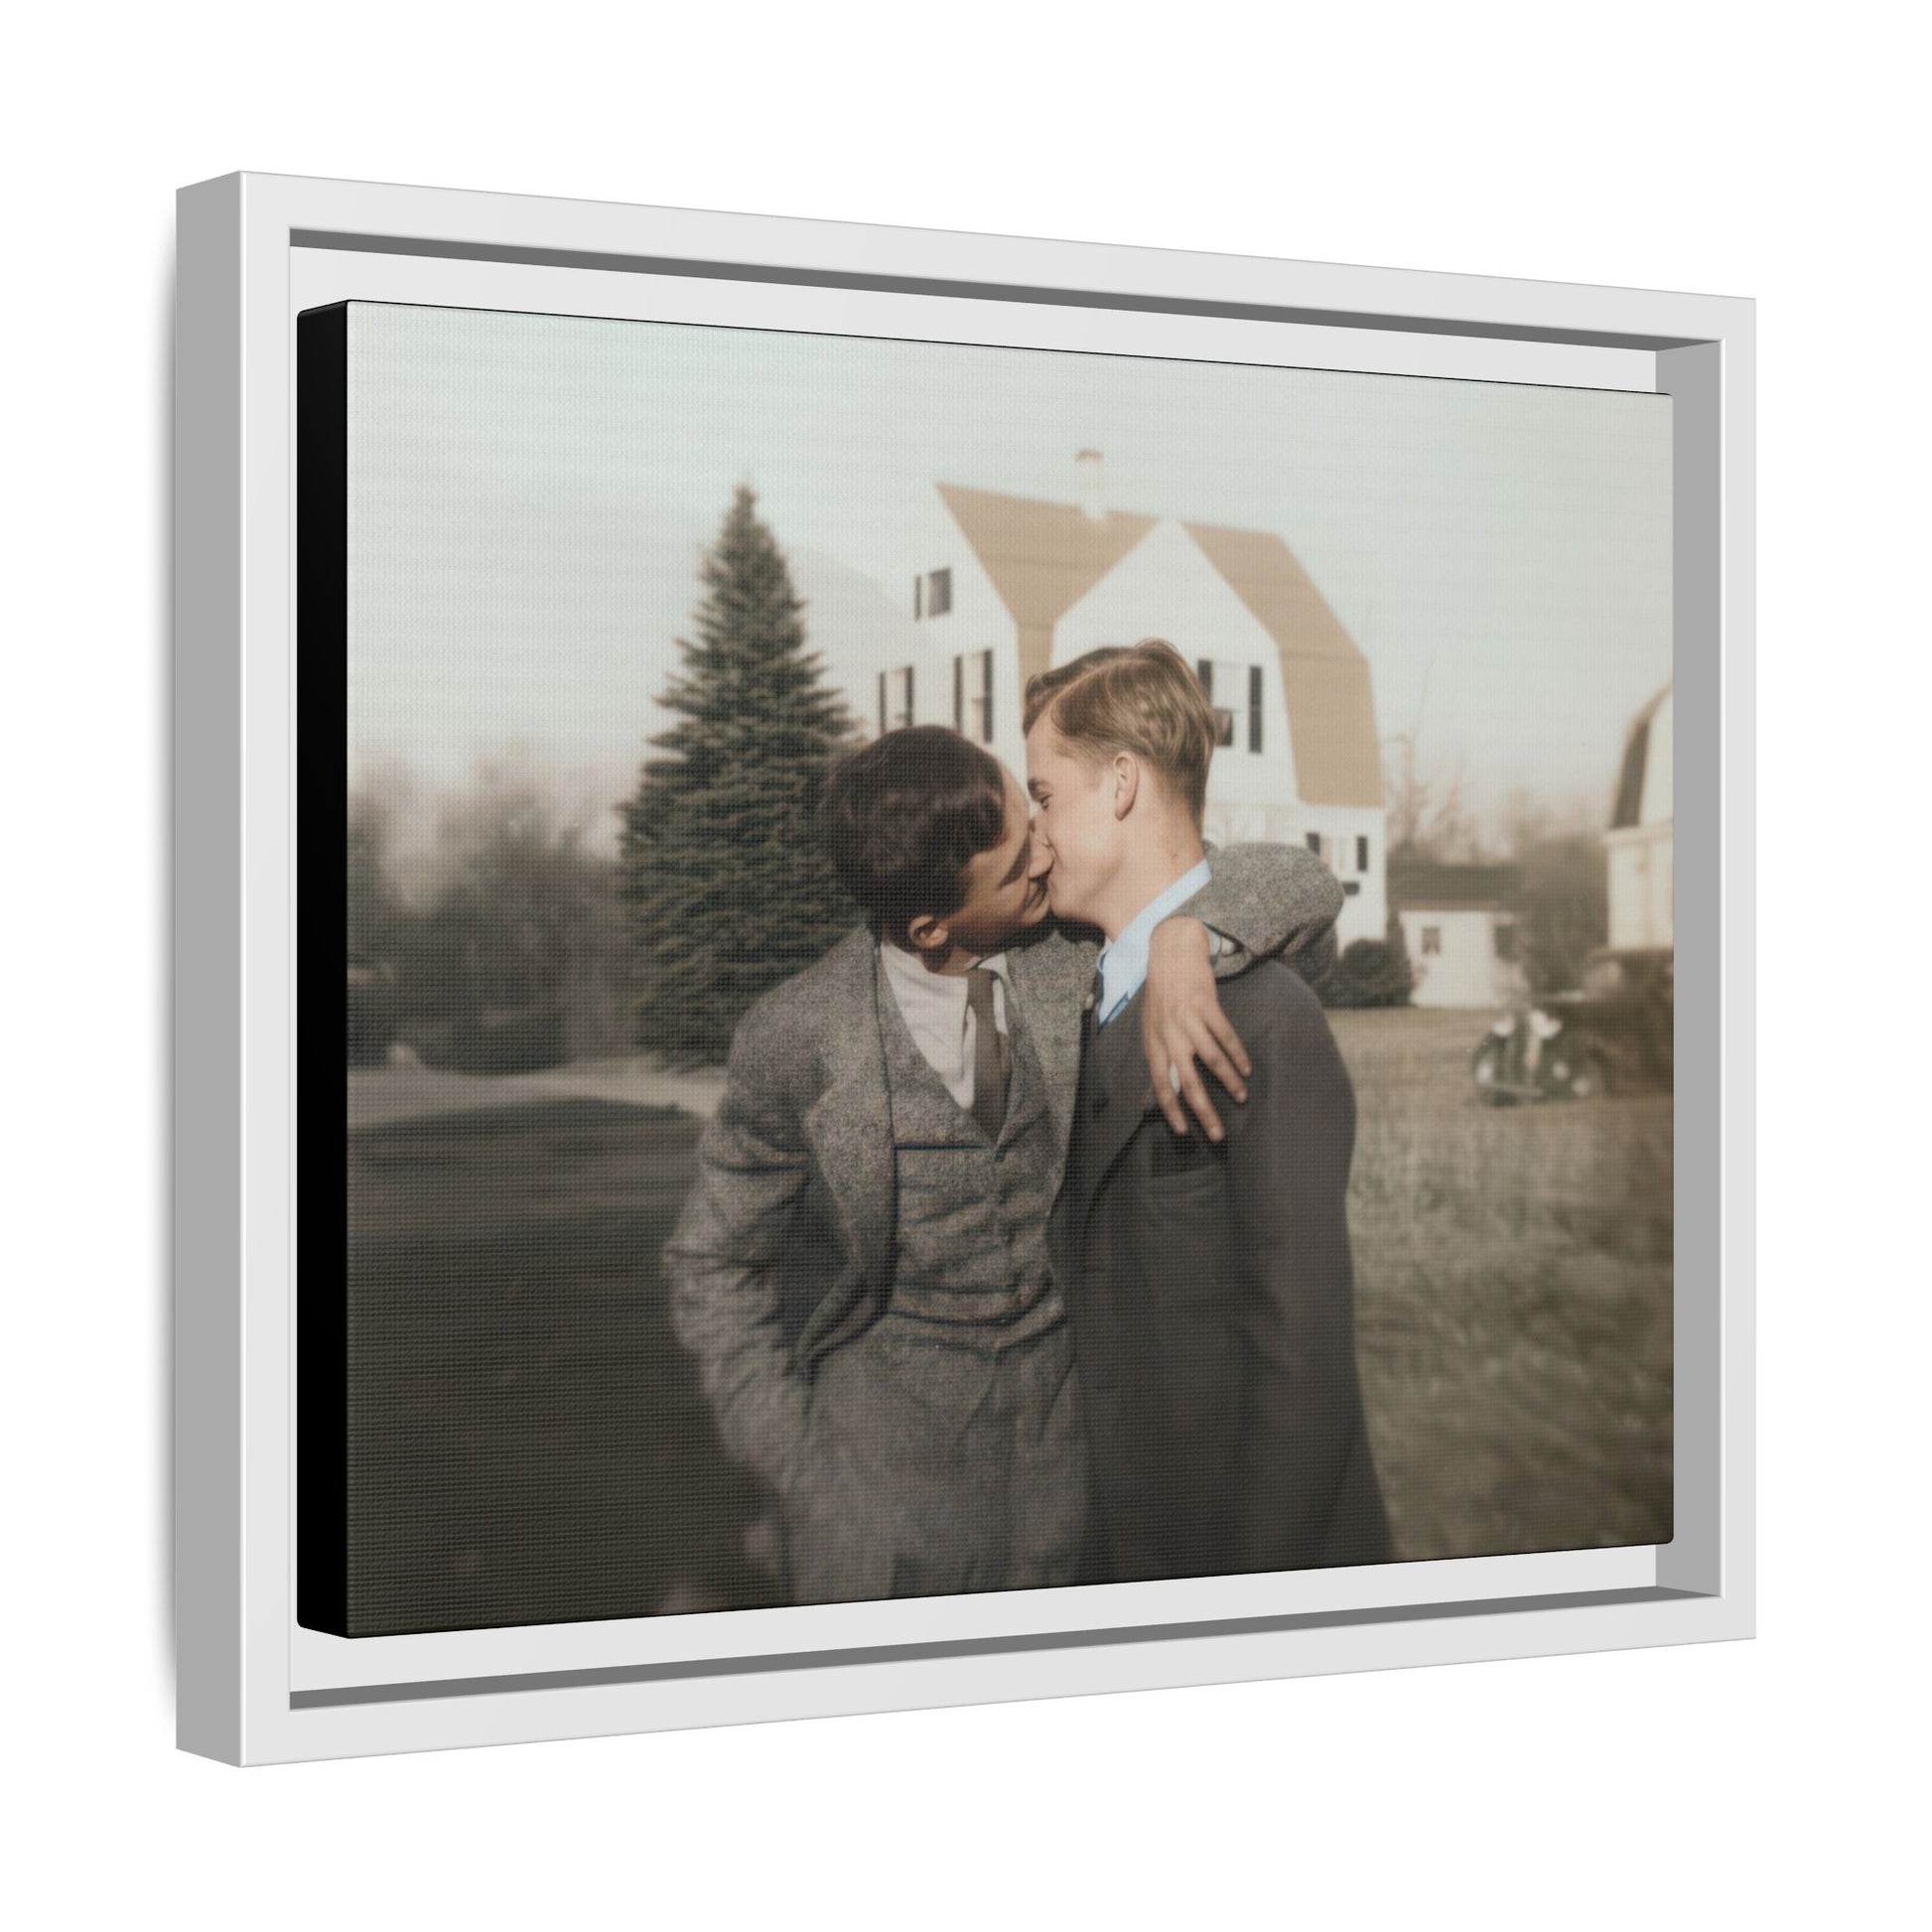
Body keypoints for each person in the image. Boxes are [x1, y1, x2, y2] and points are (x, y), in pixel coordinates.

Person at [664, 724, 1343, 1605]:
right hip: (879, 1517)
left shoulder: (1065, 946)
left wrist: (1186, 934)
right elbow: (710, 1264)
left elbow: (1301, 882)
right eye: (1019, 859)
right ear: (930, 927)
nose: (1047, 854)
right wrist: (801, 1470)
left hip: (1077, 1493)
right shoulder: (797, 1037)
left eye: (1035, 821)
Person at [1028, 641, 1393, 1584]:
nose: (1035, 836)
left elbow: (1303, 1359)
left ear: (1120, 785)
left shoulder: (1266, 1018)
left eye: (1044, 797)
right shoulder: (1061, 982)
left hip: (1234, 1553)